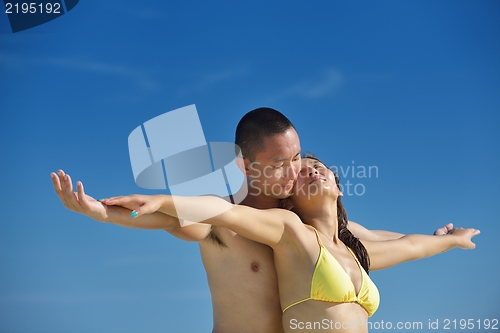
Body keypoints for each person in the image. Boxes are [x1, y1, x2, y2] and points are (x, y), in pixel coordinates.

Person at [51, 107, 454, 333]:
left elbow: (380, 238)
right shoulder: (219, 218)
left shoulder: (308, 227)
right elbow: (168, 218)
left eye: (297, 158)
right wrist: (98, 212)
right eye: (280, 163)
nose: (295, 170)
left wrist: (443, 239)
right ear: (245, 165)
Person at [99, 155, 479, 333]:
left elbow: (411, 246)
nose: (311, 171)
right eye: (299, 174)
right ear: (288, 199)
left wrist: (448, 241)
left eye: (318, 167)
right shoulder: (290, 231)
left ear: (338, 183)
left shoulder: (354, 251)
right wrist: (162, 201)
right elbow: (220, 212)